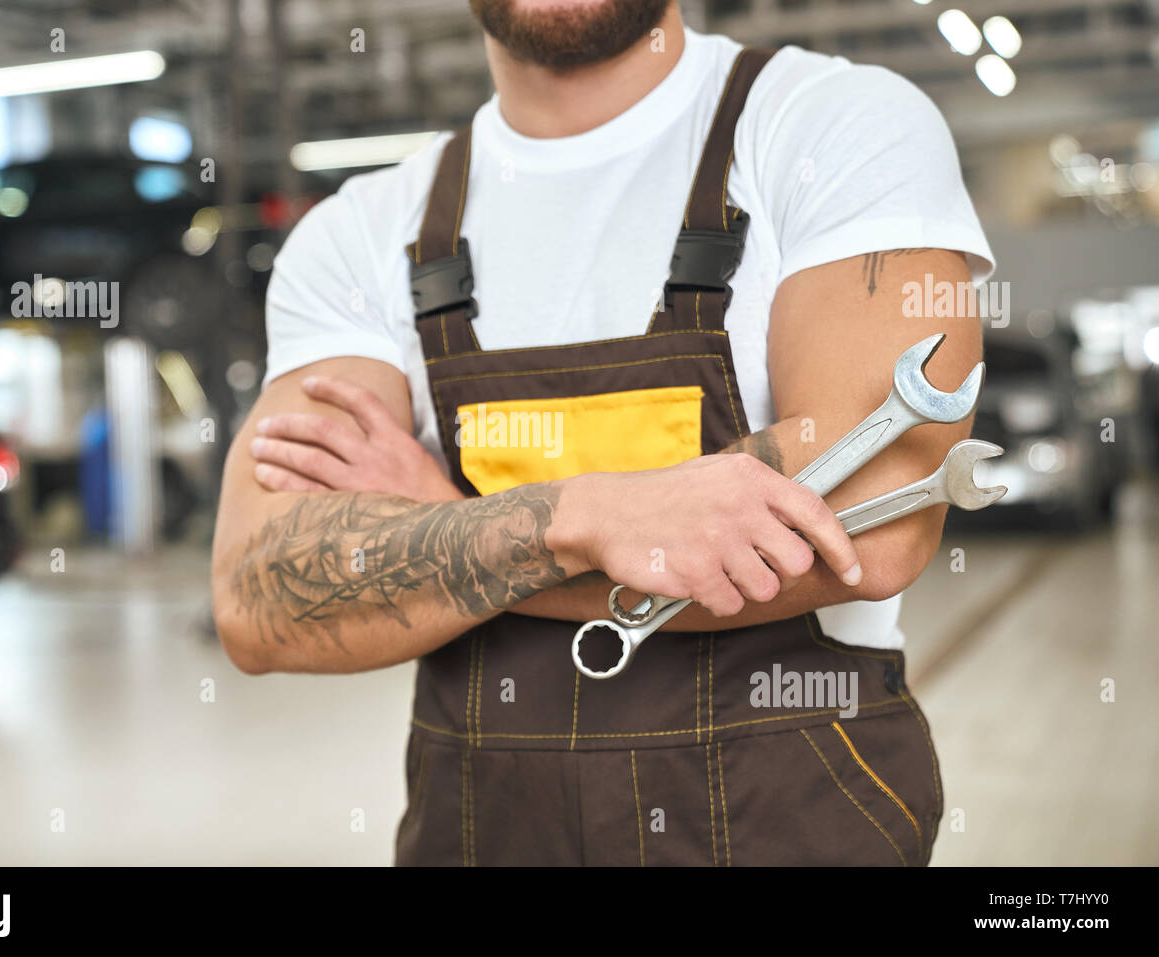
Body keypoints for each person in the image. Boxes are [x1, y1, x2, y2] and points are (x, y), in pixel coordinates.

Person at [211, 0, 993, 866]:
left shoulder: (834, 127)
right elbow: (258, 596)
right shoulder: (358, 233)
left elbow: (876, 520)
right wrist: (580, 518)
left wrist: (454, 526)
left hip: (790, 818)